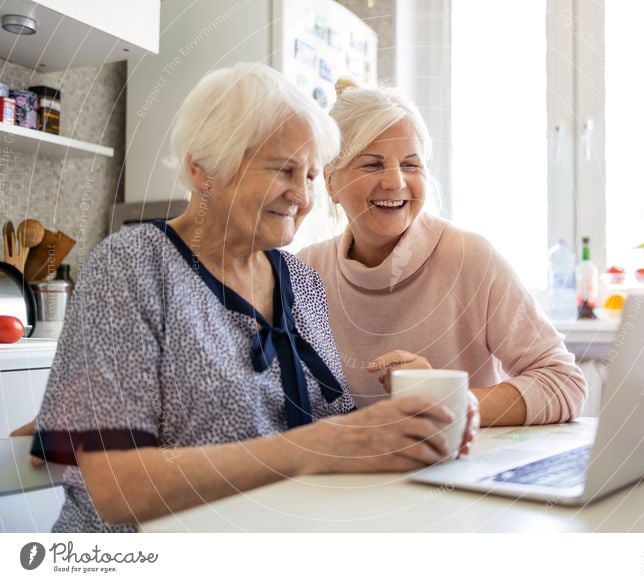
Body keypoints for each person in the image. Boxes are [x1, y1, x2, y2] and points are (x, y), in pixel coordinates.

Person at [26, 64, 476, 533]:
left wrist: (416, 420)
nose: (301, 197)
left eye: (311, 176)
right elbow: (114, 488)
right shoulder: (130, 266)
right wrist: (321, 447)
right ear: (203, 168)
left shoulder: (300, 281)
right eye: (283, 169)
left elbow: (323, 432)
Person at [298, 78, 586, 426]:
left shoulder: (470, 258)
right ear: (330, 183)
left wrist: (447, 398)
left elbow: (564, 383)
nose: (395, 182)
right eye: (373, 164)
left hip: (461, 470)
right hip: (354, 473)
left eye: (410, 164)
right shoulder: (305, 271)